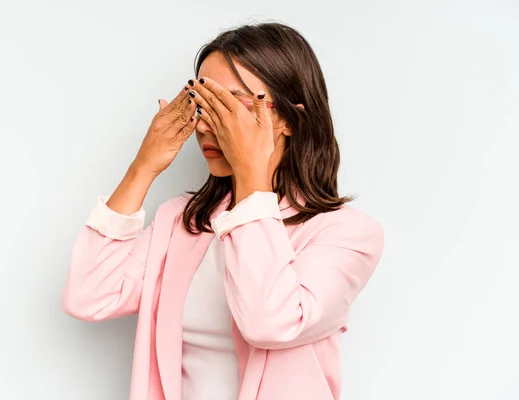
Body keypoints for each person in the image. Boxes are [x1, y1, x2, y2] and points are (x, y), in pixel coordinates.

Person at [61, 22, 385, 400]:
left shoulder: (347, 234)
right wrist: (143, 167)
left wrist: (252, 173)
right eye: (202, 104)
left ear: (288, 119)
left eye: (230, 105)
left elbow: (269, 322)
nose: (204, 124)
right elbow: (88, 297)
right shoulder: (180, 222)